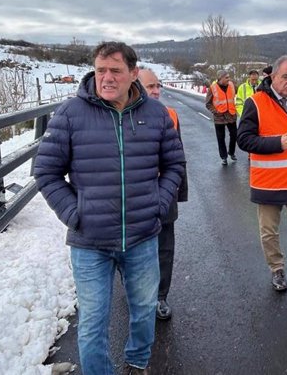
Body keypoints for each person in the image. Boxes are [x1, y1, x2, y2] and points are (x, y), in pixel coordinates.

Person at [34, 42, 186, 375]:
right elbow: (45, 171)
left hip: (143, 236)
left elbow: (175, 164)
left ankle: (137, 362)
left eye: (115, 71)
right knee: (91, 323)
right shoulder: (71, 114)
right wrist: (75, 214)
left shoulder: (156, 115)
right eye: (101, 70)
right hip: (90, 243)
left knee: (145, 311)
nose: (106, 78)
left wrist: (159, 204)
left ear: (133, 74)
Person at [237, 55, 287, 300]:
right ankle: (277, 269)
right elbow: (243, 139)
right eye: (286, 77)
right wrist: (276, 143)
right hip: (269, 181)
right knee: (269, 232)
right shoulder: (256, 102)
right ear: (273, 76)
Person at [137, 68, 188, 320]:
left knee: (164, 248)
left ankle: (160, 296)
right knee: (134, 250)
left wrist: (179, 193)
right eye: (150, 87)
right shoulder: (119, 115)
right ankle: (136, 293)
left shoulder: (170, 115)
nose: (156, 91)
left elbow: (177, 158)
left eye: (158, 86)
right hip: (132, 197)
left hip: (163, 194)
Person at [205, 70, 238, 165]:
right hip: (219, 117)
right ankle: (224, 157)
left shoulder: (232, 85)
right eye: (226, 77)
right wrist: (215, 111)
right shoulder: (213, 88)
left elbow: (239, 93)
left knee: (234, 135)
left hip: (231, 115)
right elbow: (208, 103)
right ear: (220, 78)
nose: (229, 79)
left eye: (229, 77)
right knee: (221, 138)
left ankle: (231, 152)